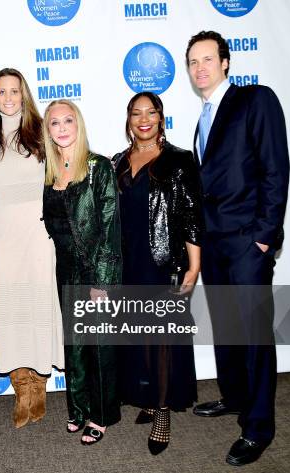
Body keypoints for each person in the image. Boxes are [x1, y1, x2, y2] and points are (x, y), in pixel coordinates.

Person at [186, 31, 290, 466]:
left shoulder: (255, 100)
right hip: (214, 243)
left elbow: (275, 169)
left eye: (208, 59)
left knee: (253, 337)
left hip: (248, 241)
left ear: (226, 62)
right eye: (193, 61)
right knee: (227, 329)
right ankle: (233, 398)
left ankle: (258, 427)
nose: (200, 68)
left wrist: (264, 234)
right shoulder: (201, 118)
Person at [113, 92, 203, 454]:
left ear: (161, 118)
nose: (144, 119)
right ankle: (150, 396)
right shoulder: (119, 162)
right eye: (137, 113)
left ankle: (163, 410)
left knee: (162, 338)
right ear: (129, 120)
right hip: (129, 262)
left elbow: (192, 215)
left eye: (151, 112)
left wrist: (194, 265)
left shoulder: (178, 160)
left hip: (163, 262)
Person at [0, 68, 64, 428]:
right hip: (1, 235)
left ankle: (40, 385)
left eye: (15, 91)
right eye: (2, 91)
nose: (9, 97)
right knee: (11, 309)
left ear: (23, 95)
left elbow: (63, 174)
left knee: (39, 304)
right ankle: (21, 388)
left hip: (38, 231)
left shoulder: (42, 133)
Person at [42, 99, 121, 446]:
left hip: (96, 270)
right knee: (75, 345)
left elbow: (109, 227)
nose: (61, 128)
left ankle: (101, 415)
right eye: (54, 123)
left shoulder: (98, 168)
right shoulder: (49, 171)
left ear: (79, 124)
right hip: (66, 270)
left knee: (98, 346)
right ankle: (78, 407)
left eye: (68, 120)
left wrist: (102, 282)